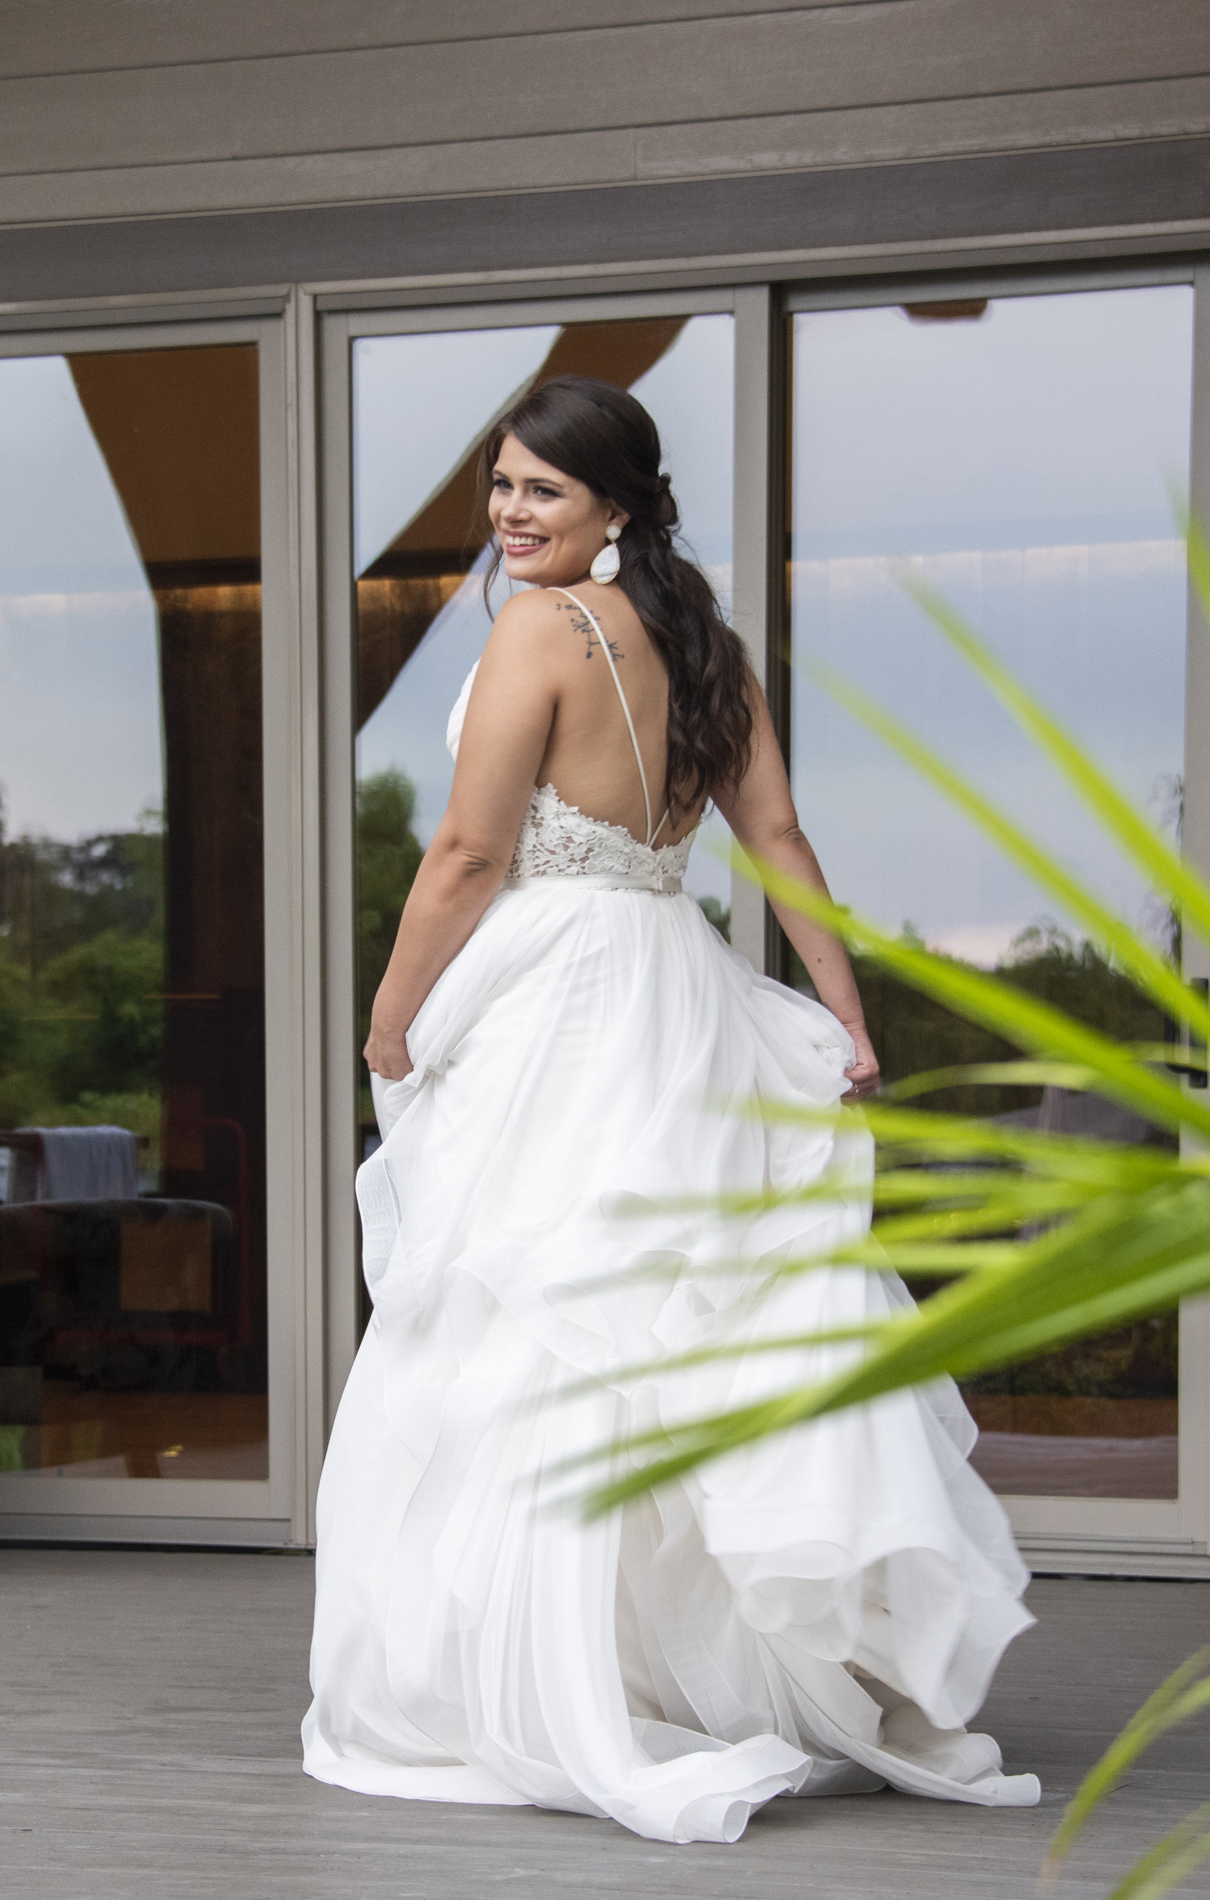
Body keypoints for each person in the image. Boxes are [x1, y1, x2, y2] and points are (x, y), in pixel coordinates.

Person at [302, 375, 1039, 1844]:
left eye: (543, 493)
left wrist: (387, 1017)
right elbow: (776, 839)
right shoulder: (707, 641)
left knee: (538, 1323)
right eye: (500, 485)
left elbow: (464, 851)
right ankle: (676, 1672)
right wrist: (839, 1006)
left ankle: (536, 1686)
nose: (511, 514)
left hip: (558, 993)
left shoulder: (541, 632)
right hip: (675, 987)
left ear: (616, 509)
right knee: (661, 1321)